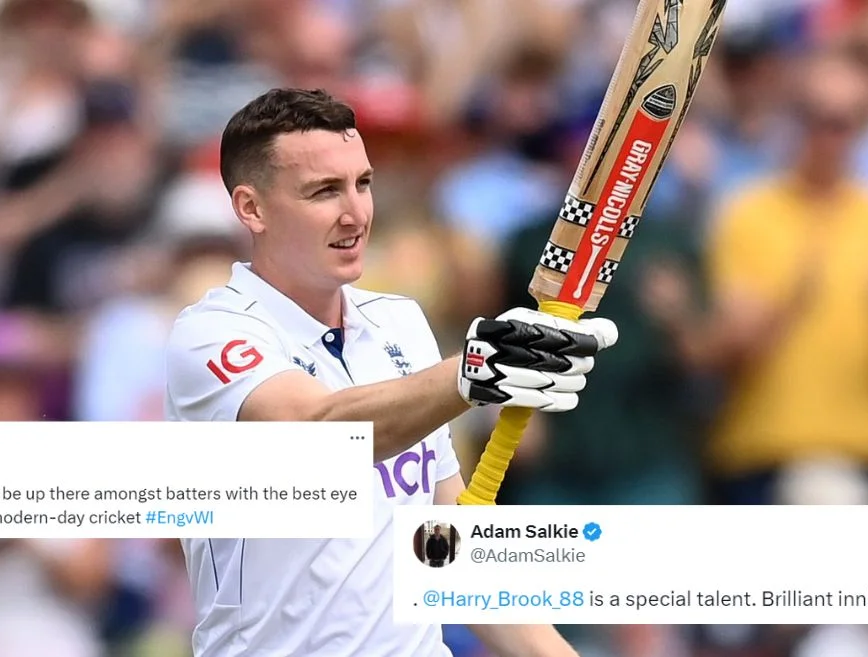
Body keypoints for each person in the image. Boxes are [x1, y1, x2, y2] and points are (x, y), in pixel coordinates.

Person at [164, 87, 619, 657]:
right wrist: (472, 372)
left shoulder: (400, 321)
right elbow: (318, 432)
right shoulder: (210, 331)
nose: (355, 213)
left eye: (363, 183)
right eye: (323, 191)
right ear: (251, 208)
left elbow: (449, 554)